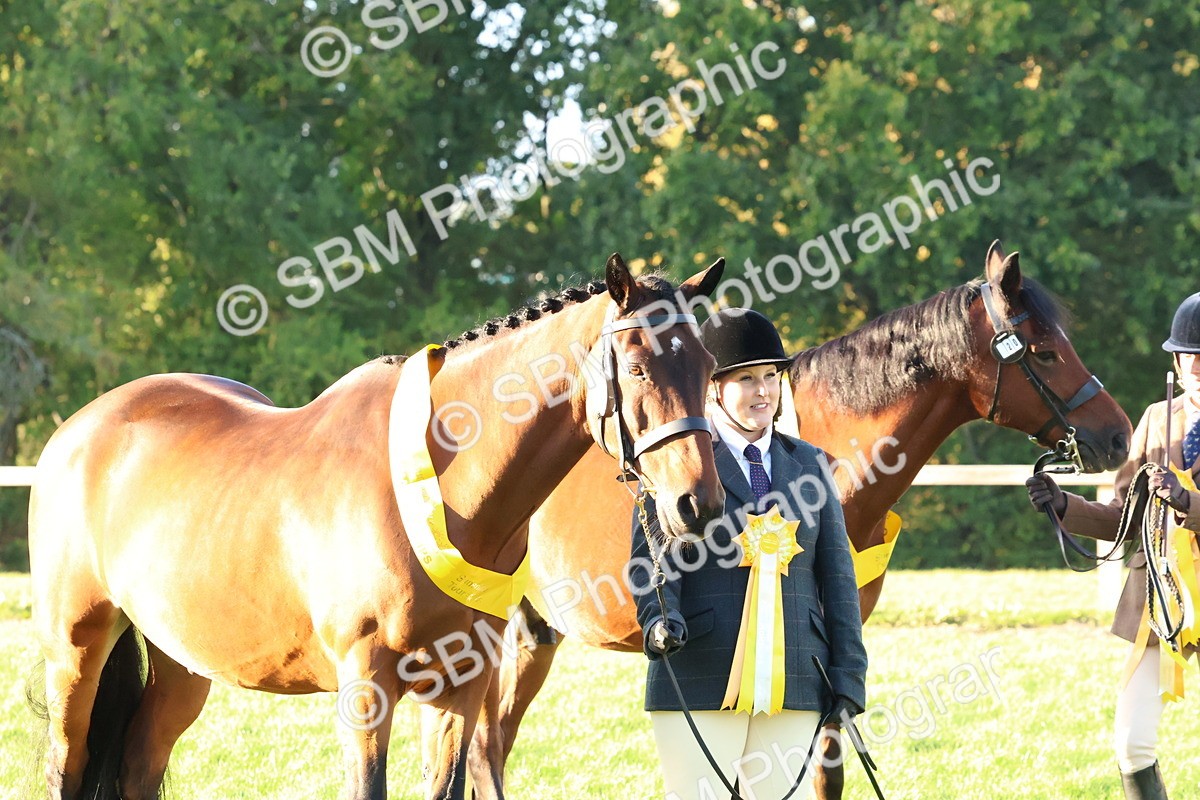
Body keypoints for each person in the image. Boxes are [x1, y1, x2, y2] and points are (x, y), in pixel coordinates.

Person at [630, 308, 867, 800]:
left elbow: (838, 578)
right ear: (714, 387)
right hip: (701, 670)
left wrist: (848, 674)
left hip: (798, 676)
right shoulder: (680, 460)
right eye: (746, 379)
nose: (763, 391)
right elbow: (654, 562)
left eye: (770, 377)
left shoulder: (809, 464)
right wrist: (659, 618)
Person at [1026, 292, 1200, 800]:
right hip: (1161, 600)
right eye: (1192, 357)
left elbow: (1184, 504)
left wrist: (1189, 500)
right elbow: (1125, 518)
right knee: (1132, 744)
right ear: (1177, 361)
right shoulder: (1156, 418)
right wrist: (1065, 506)